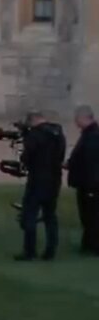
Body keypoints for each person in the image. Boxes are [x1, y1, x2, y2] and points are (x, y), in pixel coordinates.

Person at [17, 110, 66, 261]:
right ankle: (50, 251)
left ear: (33, 121)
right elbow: (61, 155)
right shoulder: (58, 133)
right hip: (54, 180)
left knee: (30, 215)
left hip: (37, 180)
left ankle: (30, 251)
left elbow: (26, 157)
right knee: (50, 216)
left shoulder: (35, 135)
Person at [67, 105, 99, 256]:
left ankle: (93, 246)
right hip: (86, 183)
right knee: (88, 216)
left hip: (90, 185)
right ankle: (89, 244)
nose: (75, 122)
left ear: (83, 118)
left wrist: (92, 186)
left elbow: (92, 163)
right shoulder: (89, 134)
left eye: (77, 119)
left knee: (91, 216)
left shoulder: (93, 136)